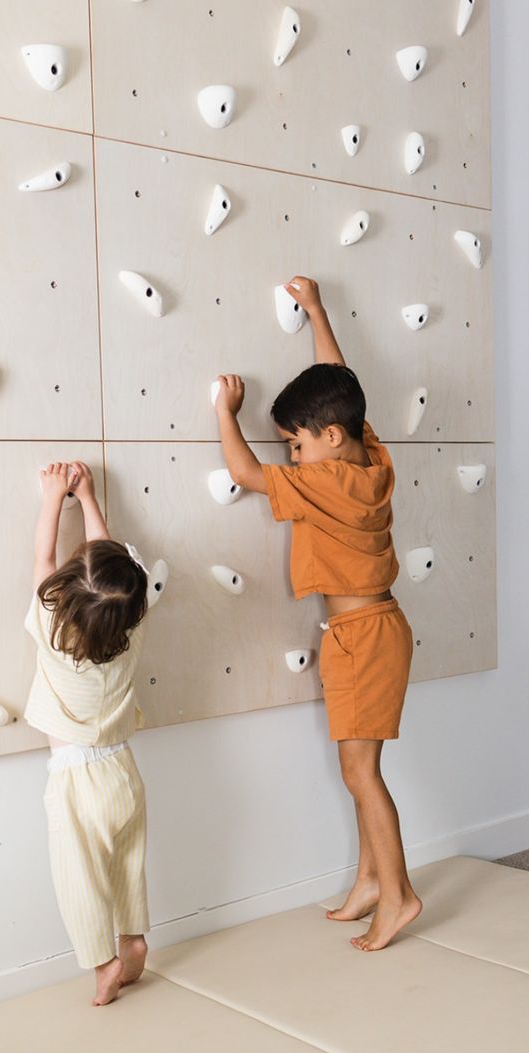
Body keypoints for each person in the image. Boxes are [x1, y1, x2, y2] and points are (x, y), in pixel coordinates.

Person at [214, 277, 421, 951]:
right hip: (378, 628)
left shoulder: (324, 481)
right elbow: (342, 382)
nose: (291, 456)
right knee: (364, 769)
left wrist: (226, 408)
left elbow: (246, 472)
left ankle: (398, 895)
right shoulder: (371, 460)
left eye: (296, 445)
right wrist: (317, 313)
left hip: (362, 636)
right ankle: (369, 878)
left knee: (360, 774)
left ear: (328, 438)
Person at [25, 460, 150, 1003]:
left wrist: (53, 496)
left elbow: (42, 559)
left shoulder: (55, 633)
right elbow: (112, 567)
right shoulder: (133, 626)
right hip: (124, 770)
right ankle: (134, 938)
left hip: (76, 781)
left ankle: (103, 965)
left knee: (79, 877)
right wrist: (89, 498)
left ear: (63, 596)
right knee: (128, 860)